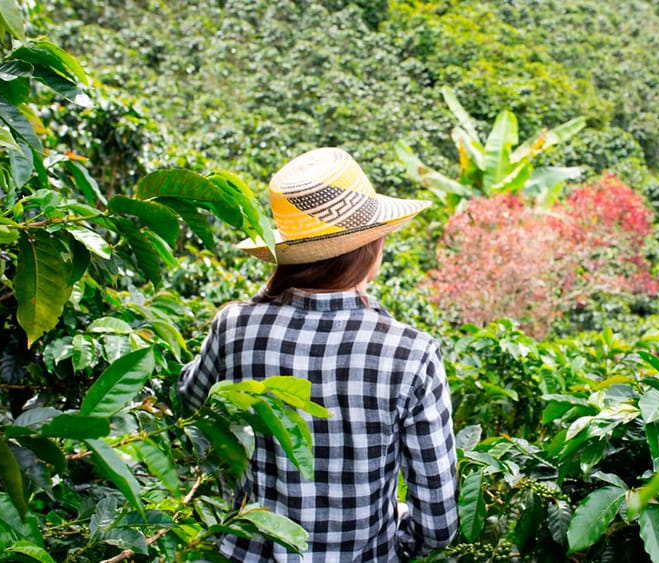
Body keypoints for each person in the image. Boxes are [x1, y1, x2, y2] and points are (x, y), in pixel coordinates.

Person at [178, 147, 458, 562]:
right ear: (370, 246)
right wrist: (393, 542)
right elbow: (437, 523)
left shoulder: (234, 327)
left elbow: (188, 407)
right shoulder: (412, 353)